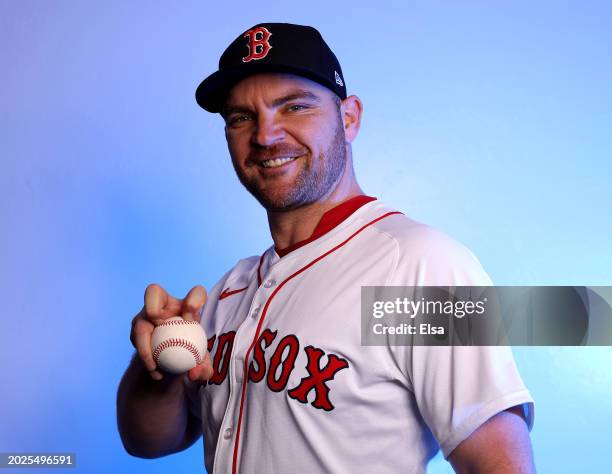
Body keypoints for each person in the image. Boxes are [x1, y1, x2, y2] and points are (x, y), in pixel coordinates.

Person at [117, 22, 535, 473]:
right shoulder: (229, 290)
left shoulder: (424, 268)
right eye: (242, 117)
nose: (265, 136)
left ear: (349, 117)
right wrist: (156, 369)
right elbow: (150, 442)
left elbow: (500, 463)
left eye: (294, 107)